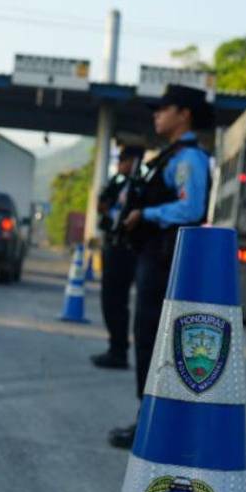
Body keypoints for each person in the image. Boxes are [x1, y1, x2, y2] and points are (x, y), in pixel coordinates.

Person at [108, 84, 215, 449]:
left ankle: (153, 424)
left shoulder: (188, 160)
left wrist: (146, 213)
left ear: (184, 113)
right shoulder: (172, 156)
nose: (156, 114)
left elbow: (191, 208)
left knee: (154, 338)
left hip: (165, 257)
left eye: (163, 108)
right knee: (150, 337)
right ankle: (150, 417)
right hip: (156, 255)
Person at [90, 144, 144, 370]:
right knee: (110, 301)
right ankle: (115, 347)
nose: (120, 165)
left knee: (116, 302)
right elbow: (102, 206)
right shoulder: (117, 184)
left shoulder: (140, 186)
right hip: (113, 244)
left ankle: (119, 351)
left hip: (125, 249)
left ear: (133, 162)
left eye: (124, 160)